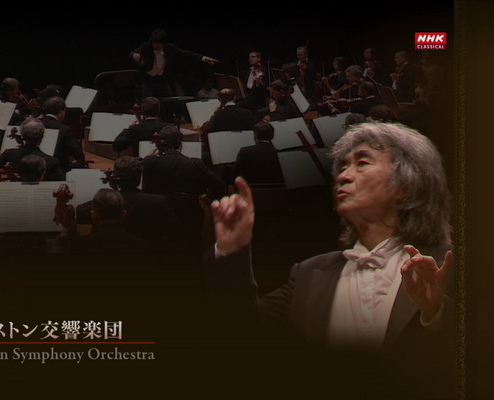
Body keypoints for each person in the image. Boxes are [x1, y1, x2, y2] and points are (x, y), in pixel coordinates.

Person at [207, 122, 453, 398]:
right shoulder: (308, 273)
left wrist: (438, 315)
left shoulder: (452, 266)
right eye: (343, 167)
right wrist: (232, 251)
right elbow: (242, 328)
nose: (343, 176)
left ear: (404, 185)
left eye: (362, 163)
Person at [141, 125, 226, 200]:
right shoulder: (196, 165)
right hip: (191, 211)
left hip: (159, 211)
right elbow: (219, 186)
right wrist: (207, 198)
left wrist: (145, 159)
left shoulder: (150, 163)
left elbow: (143, 189)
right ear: (180, 144)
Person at [131, 28, 218, 100]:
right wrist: (134, 55)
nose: (156, 45)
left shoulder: (170, 48)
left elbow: (185, 54)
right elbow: (132, 53)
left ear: (163, 43)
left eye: (159, 43)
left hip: (161, 79)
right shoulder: (146, 47)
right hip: (147, 80)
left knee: (169, 99)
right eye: (154, 43)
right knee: (148, 101)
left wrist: (203, 58)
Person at [0, 117, 65, 182]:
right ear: (41, 137)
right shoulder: (52, 161)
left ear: (22, 135)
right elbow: (59, 182)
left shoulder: (8, 154)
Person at [39, 96, 86, 172]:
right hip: (57, 169)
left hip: (35, 166)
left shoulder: (35, 124)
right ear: (61, 111)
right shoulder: (63, 129)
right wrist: (82, 162)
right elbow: (75, 150)